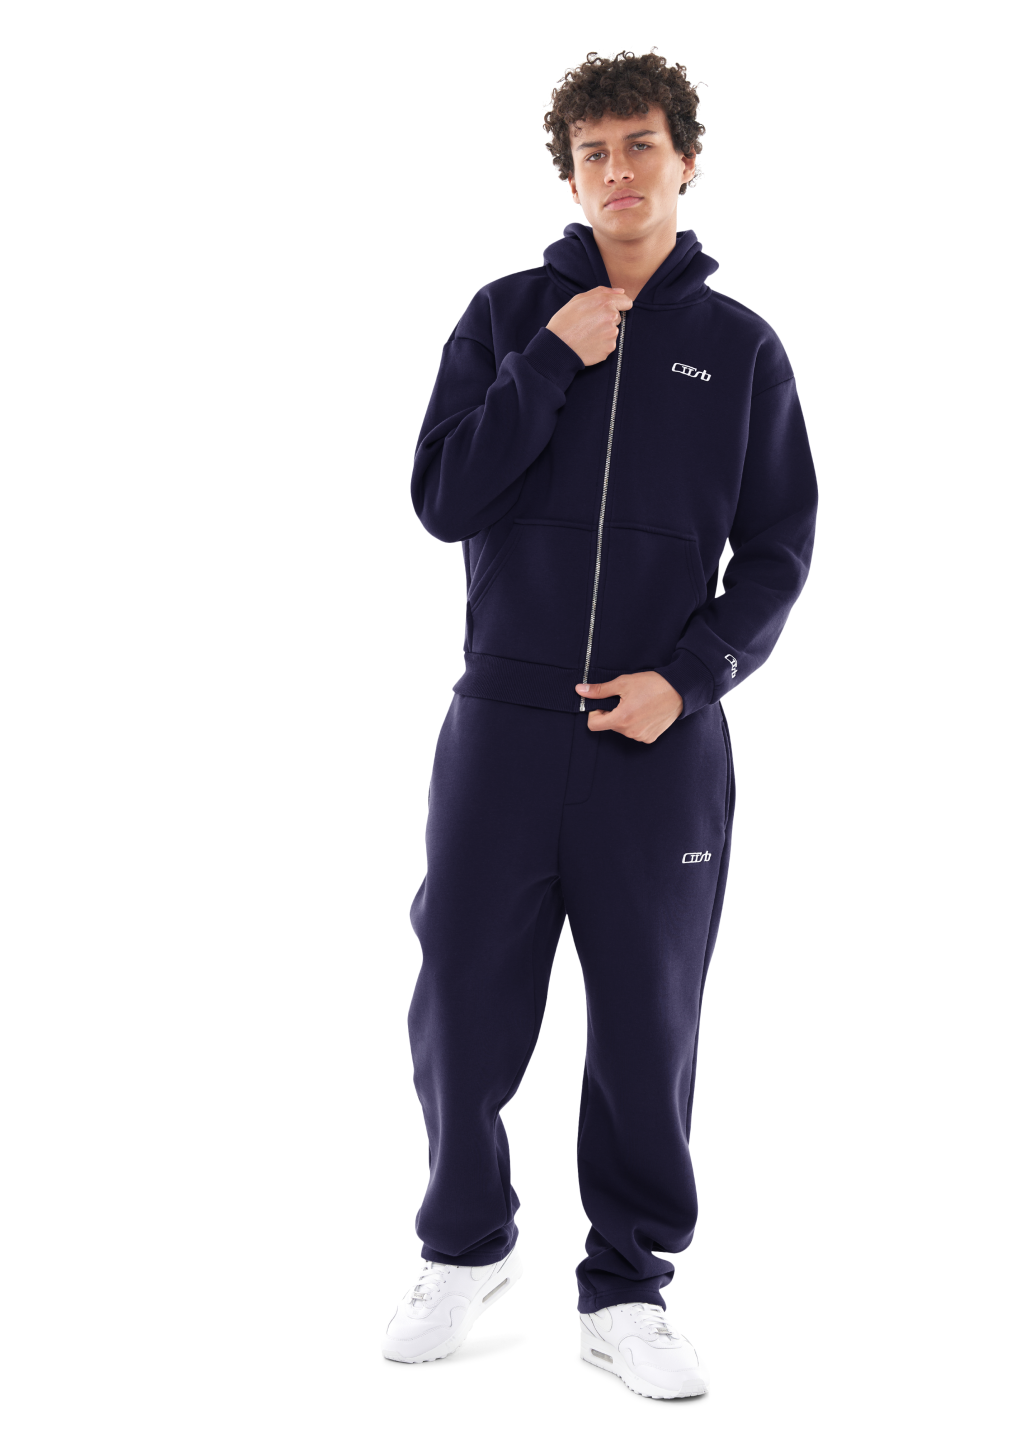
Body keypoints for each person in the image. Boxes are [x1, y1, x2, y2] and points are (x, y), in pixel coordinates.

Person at [381, 49, 819, 1399]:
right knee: (460, 997)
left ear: (685, 158)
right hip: (503, 727)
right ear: (569, 176)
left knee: (647, 1021)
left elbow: (779, 550)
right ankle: (464, 1246)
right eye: (593, 153)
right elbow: (444, 497)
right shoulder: (508, 317)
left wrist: (689, 680)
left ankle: (626, 1285)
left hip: (658, 745)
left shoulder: (740, 350)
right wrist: (548, 366)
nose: (618, 171)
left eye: (640, 145)